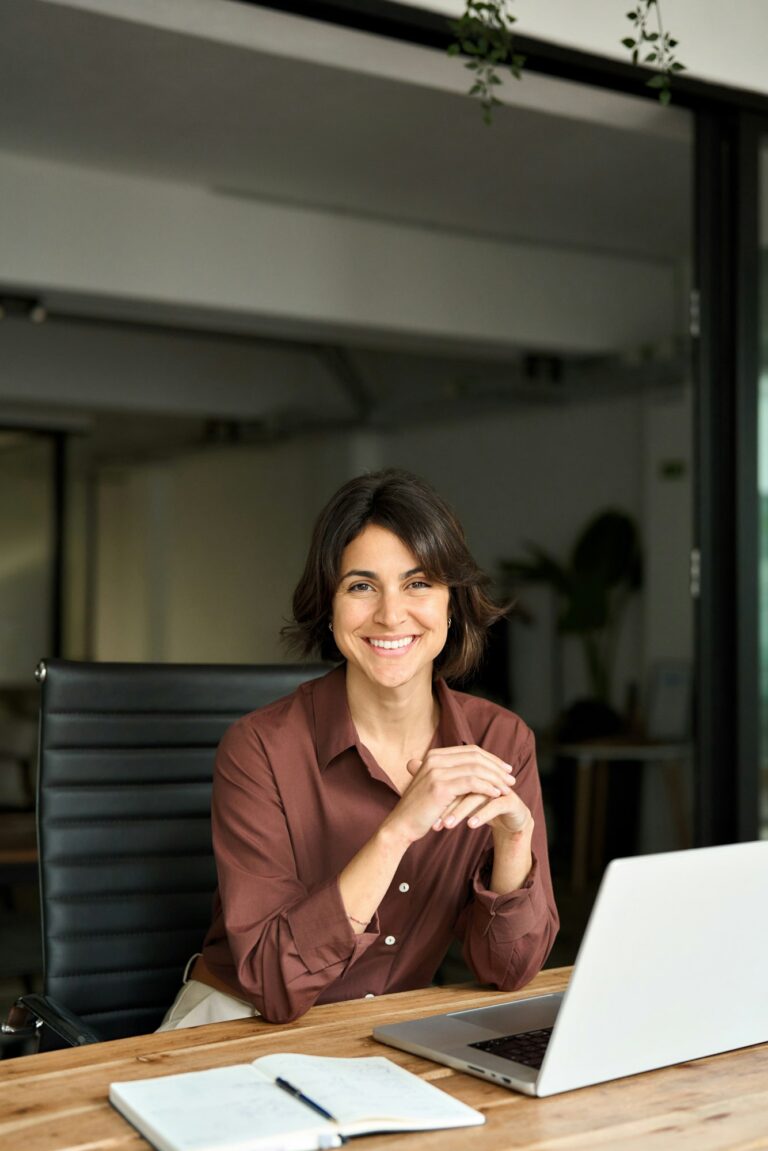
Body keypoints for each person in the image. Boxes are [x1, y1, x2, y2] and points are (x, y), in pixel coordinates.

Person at [158, 469, 558, 1030]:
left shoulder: (501, 742)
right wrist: (397, 831)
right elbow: (274, 983)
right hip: (236, 1024)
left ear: (452, 604)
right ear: (329, 605)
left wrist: (515, 843)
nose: (391, 615)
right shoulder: (259, 750)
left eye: (418, 584)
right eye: (362, 586)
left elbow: (509, 971)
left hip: (385, 1034)